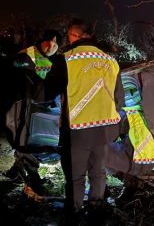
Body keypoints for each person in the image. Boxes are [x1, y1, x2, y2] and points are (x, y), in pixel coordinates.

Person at [43, 19, 124, 223]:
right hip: (104, 130)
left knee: (75, 176)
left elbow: (46, 93)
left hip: (76, 130)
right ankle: (96, 210)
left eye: (69, 35)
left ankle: (75, 213)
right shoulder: (111, 61)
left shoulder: (66, 60)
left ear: (74, 35)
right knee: (98, 172)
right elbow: (119, 101)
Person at [4, 30, 62, 192]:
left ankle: (17, 172)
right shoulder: (26, 56)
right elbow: (13, 73)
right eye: (48, 42)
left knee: (27, 139)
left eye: (55, 45)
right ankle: (32, 178)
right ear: (40, 41)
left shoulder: (53, 60)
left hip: (39, 107)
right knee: (26, 138)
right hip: (24, 107)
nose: (51, 47)